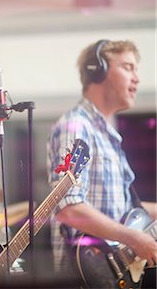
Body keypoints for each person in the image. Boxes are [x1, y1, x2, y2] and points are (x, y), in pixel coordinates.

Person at [47, 39, 157, 287]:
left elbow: (128, 208)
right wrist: (134, 238)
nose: (137, 78)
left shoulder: (107, 137)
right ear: (99, 70)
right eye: (128, 67)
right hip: (81, 278)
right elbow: (68, 209)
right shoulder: (75, 127)